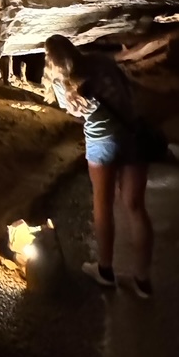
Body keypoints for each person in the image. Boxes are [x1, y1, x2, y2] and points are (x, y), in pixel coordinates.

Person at [43, 33, 154, 298]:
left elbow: (76, 113)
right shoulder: (102, 63)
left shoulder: (61, 84)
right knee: (136, 207)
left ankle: (105, 271)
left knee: (103, 205)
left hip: (101, 142)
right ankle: (143, 281)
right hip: (132, 137)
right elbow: (128, 92)